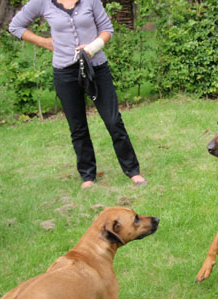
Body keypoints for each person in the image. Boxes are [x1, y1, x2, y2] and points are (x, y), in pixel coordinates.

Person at [9, 0, 147, 188]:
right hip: (65, 72)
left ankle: (133, 171)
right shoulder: (42, 2)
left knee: (113, 120)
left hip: (96, 67)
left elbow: (107, 29)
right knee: (77, 126)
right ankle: (88, 176)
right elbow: (15, 26)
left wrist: (91, 48)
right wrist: (46, 42)